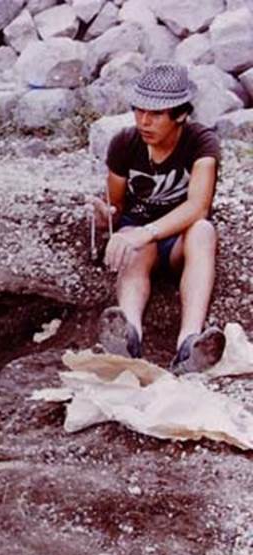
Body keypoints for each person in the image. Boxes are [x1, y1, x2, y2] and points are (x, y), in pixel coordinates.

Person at [91, 62, 226, 374]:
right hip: (140, 241)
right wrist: (105, 216)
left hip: (181, 241)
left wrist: (147, 231)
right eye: (139, 111)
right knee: (135, 246)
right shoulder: (124, 144)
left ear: (179, 114)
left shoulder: (201, 142)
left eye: (155, 114)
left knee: (203, 230)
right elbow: (117, 206)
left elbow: (198, 207)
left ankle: (189, 344)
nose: (144, 121)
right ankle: (128, 335)